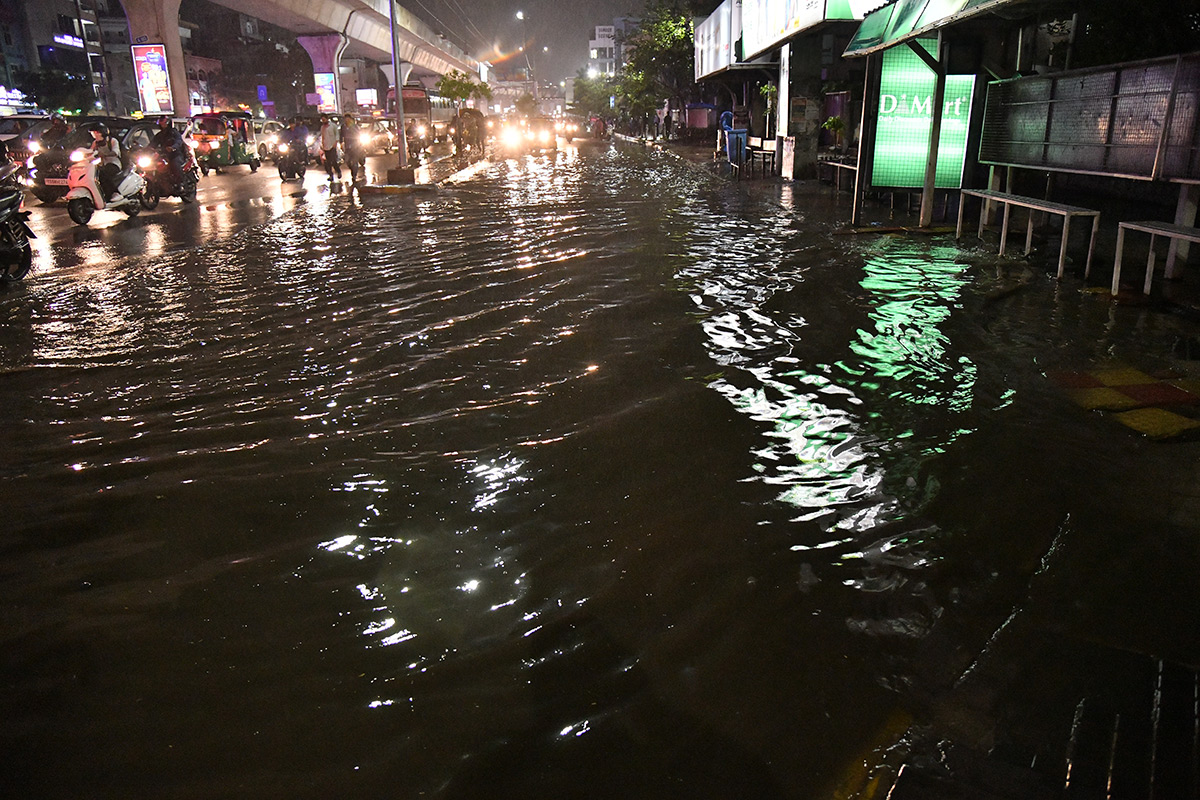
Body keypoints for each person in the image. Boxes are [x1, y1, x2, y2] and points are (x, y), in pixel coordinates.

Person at [88, 123, 123, 201]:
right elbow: (90, 152)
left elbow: (115, 152)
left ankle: (115, 193)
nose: (94, 135)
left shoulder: (112, 141)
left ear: (102, 132)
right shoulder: (95, 143)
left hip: (114, 164)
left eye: (96, 133)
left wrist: (104, 154)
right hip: (101, 165)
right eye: (93, 133)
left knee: (104, 173)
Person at [151, 115, 186, 187]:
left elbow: (179, 141)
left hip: (175, 154)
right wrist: (144, 150)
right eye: (161, 124)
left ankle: (180, 184)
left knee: (175, 164)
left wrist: (173, 147)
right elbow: (152, 144)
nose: (162, 125)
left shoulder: (174, 132)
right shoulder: (159, 135)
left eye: (164, 123)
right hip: (163, 155)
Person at [339, 114, 363, 183]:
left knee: (354, 161)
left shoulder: (355, 126)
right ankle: (352, 169)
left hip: (355, 147)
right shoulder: (343, 127)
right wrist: (341, 142)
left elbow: (358, 135)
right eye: (345, 119)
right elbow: (341, 135)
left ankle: (354, 175)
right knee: (347, 161)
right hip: (347, 147)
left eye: (348, 119)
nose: (347, 120)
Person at [319, 115, 340, 180]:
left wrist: (335, 143)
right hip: (326, 146)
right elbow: (322, 136)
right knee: (327, 162)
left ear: (327, 119)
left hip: (332, 146)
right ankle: (331, 175)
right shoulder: (322, 127)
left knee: (333, 161)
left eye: (324, 119)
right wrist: (322, 145)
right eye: (322, 120)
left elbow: (337, 135)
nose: (323, 121)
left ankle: (338, 171)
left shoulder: (333, 126)